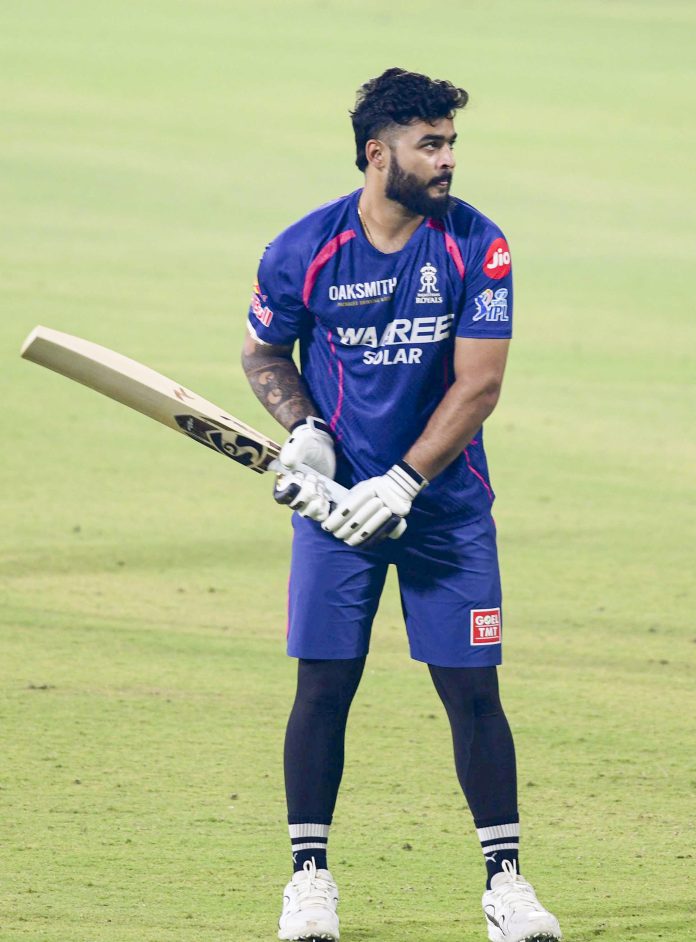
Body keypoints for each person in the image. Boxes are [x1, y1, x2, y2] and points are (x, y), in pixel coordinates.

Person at [242, 67, 562, 942]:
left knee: (473, 692)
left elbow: (479, 384)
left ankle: (506, 886)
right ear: (378, 154)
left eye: (450, 142)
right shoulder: (302, 249)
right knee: (323, 687)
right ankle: (309, 882)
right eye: (430, 144)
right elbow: (264, 353)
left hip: (446, 514)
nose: (448, 159)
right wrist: (306, 431)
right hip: (337, 517)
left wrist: (404, 483)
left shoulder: (476, 244)